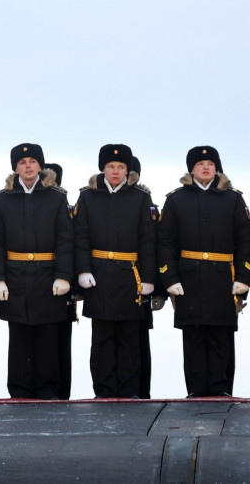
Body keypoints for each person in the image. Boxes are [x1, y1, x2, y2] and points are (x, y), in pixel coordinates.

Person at [158, 146, 250, 397]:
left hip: (224, 277)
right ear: (191, 169)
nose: (206, 167)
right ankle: (196, 391)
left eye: (210, 163)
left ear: (217, 167)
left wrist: (244, 277)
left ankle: (221, 391)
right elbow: (165, 242)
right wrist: (170, 278)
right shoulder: (176, 199)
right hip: (189, 278)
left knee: (221, 336)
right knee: (194, 337)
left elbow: (245, 241)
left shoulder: (233, 199)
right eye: (200, 164)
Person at [0, 143, 73, 400]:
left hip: (48, 275)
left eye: (32, 162)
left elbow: (65, 240)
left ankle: (47, 390)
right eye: (22, 162)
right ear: (15, 167)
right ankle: (20, 391)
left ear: (40, 166)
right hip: (14, 276)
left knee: (47, 336)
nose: (28, 166)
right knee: (19, 336)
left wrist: (63, 275)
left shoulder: (56, 197)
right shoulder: (2, 199)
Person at [74, 145, 156, 398]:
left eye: (121, 167)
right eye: (111, 167)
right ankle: (104, 390)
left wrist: (150, 279)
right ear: (103, 169)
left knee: (130, 338)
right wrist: (83, 270)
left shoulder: (140, 198)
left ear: (128, 170)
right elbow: (80, 237)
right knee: (102, 339)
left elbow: (148, 241)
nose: (116, 172)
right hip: (98, 275)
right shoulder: (87, 197)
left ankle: (129, 391)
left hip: (131, 276)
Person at [130, 156, 166, 399]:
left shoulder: (147, 204)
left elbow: (156, 247)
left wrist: (158, 289)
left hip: (141, 282)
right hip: (119, 281)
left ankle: (142, 391)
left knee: (139, 340)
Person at [45, 162, 77, 400]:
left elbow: (72, 245)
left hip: (62, 284)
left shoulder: (64, 206)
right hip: (35, 282)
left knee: (61, 343)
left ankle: (61, 392)